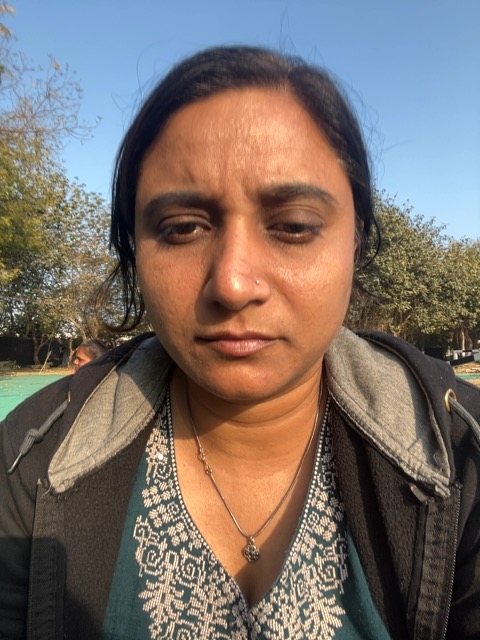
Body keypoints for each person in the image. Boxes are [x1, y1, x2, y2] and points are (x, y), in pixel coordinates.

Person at [1, 46, 479, 640]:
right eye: (182, 228)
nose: (232, 284)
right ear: (135, 249)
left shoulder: (463, 456)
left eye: (294, 226)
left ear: (355, 242)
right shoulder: (31, 460)